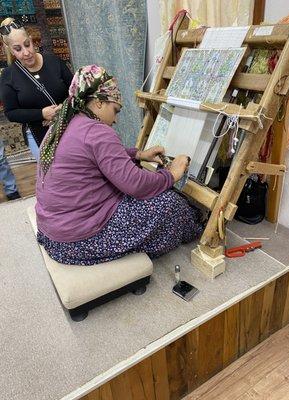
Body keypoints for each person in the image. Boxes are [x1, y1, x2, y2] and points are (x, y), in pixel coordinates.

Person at [36, 65, 204, 265]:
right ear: (99, 103)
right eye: (115, 110)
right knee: (170, 204)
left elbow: (95, 158)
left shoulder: (63, 123)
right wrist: (172, 174)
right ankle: (197, 228)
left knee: (138, 193)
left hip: (52, 232)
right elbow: (137, 186)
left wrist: (138, 154)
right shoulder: (97, 131)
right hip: (77, 240)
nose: (115, 119)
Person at [0, 18, 73, 160]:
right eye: (18, 49)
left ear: (32, 40)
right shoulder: (8, 76)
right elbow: (11, 112)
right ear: (10, 50)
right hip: (38, 135)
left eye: (27, 44)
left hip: (68, 127)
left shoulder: (53, 61)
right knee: (54, 178)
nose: (26, 52)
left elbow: (74, 91)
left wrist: (62, 110)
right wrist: (42, 114)